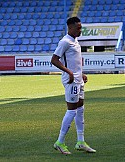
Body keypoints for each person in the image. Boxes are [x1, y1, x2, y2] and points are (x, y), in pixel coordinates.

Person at [51, 17, 96, 155]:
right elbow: (54, 60)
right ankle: (60, 142)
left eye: (81, 27)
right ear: (70, 28)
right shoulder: (64, 42)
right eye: (78, 28)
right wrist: (69, 72)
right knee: (72, 110)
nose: (80, 30)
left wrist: (81, 73)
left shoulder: (75, 41)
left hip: (78, 79)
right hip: (71, 81)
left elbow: (74, 61)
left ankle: (80, 142)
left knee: (80, 108)